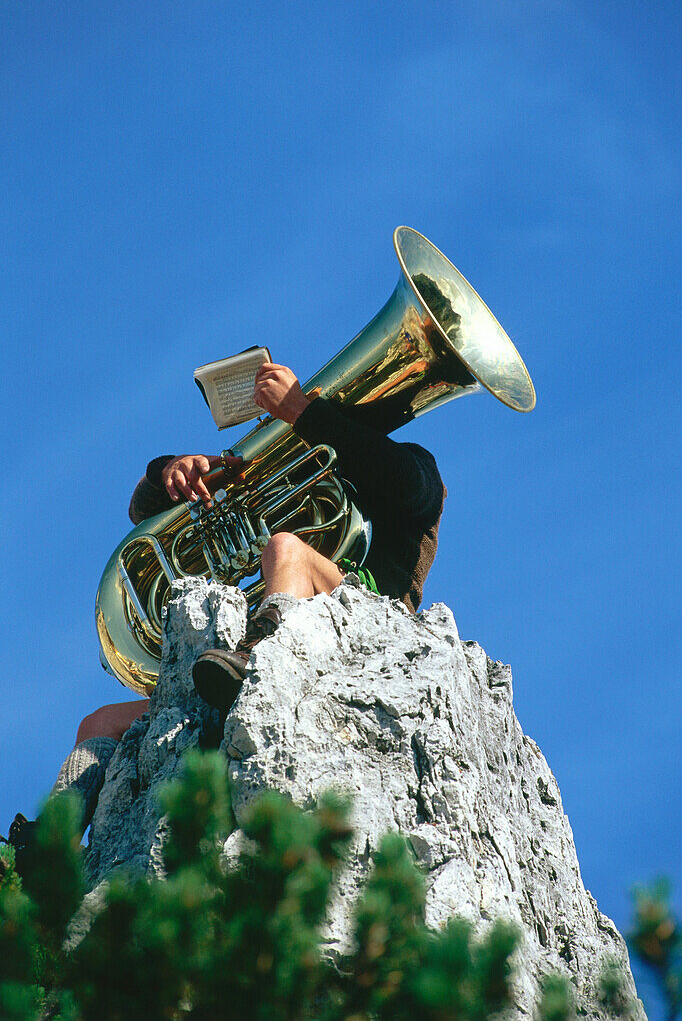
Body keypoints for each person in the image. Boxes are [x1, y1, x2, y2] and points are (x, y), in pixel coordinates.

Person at [5, 363, 445, 861]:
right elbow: (142, 516)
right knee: (100, 722)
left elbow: (413, 488)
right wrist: (171, 471)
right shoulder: (299, 464)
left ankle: (259, 655)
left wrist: (302, 411)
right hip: (229, 664)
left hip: (363, 628)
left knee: (285, 549)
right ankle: (51, 845)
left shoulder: (413, 464)